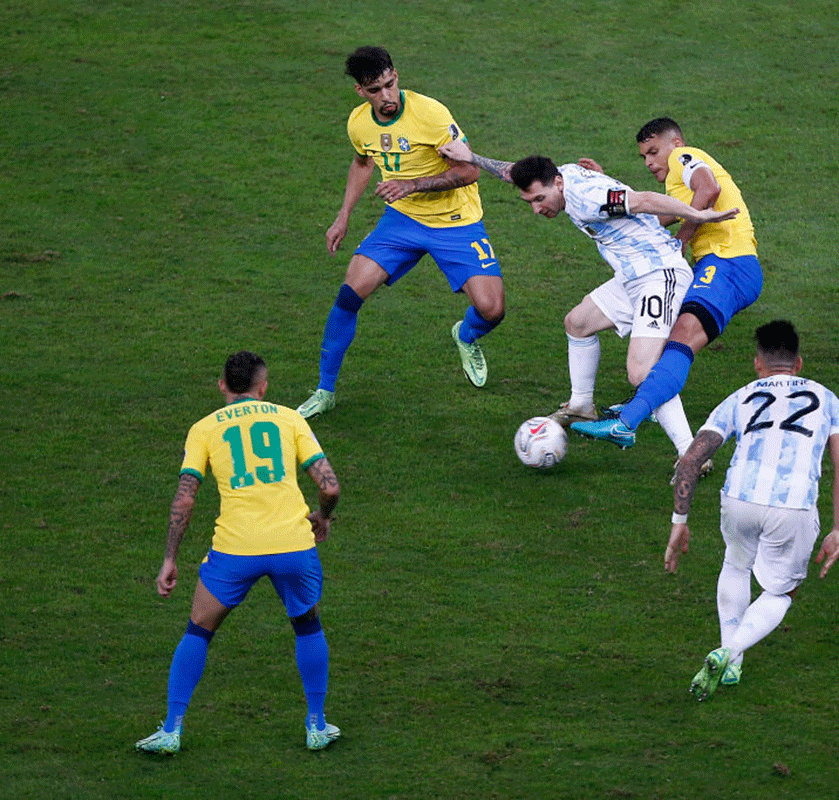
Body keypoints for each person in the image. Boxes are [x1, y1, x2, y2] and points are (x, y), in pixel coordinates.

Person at [438, 138, 739, 464]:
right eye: (529, 202)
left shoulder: (586, 199)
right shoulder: (561, 175)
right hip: (633, 274)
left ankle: (691, 452)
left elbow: (643, 200)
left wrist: (697, 215)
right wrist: (471, 157)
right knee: (578, 323)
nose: (537, 209)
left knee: (642, 373)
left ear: (557, 184)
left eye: (540, 199)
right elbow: (512, 172)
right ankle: (581, 405)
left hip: (660, 274)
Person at [137, 352, 343, 753]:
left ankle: (172, 730)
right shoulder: (289, 418)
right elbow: (330, 486)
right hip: (292, 545)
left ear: (222, 386)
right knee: (307, 626)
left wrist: (169, 558)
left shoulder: (204, 429)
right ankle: (316, 725)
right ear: (263, 388)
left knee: (199, 628)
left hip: (236, 550)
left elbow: (186, 497)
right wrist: (323, 517)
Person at [298, 45, 504, 418]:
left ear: (397, 75)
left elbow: (469, 171)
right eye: (375, 90)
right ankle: (325, 390)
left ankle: (465, 335)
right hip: (402, 222)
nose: (387, 96)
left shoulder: (431, 114)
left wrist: (411, 185)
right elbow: (363, 162)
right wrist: (343, 214)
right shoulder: (359, 123)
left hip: (455, 220)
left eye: (390, 84)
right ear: (361, 91)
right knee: (348, 295)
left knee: (492, 309)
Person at [665, 321, 839, 701]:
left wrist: (679, 523)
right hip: (793, 505)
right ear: (798, 363)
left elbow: (690, 461)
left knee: (736, 565)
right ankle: (730, 652)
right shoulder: (828, 399)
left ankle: (731, 662)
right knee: (783, 591)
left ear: (757, 364)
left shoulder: (742, 396)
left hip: (739, 498)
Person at [570, 117, 762, 449]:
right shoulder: (676, 186)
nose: (649, 162)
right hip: (718, 265)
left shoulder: (682, 157)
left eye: (653, 151)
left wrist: (684, 236)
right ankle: (645, 406)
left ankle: (629, 421)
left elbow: (709, 190)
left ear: (674, 143)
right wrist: (603, 189)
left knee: (681, 338)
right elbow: (650, 220)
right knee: (673, 340)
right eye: (643, 157)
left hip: (730, 262)